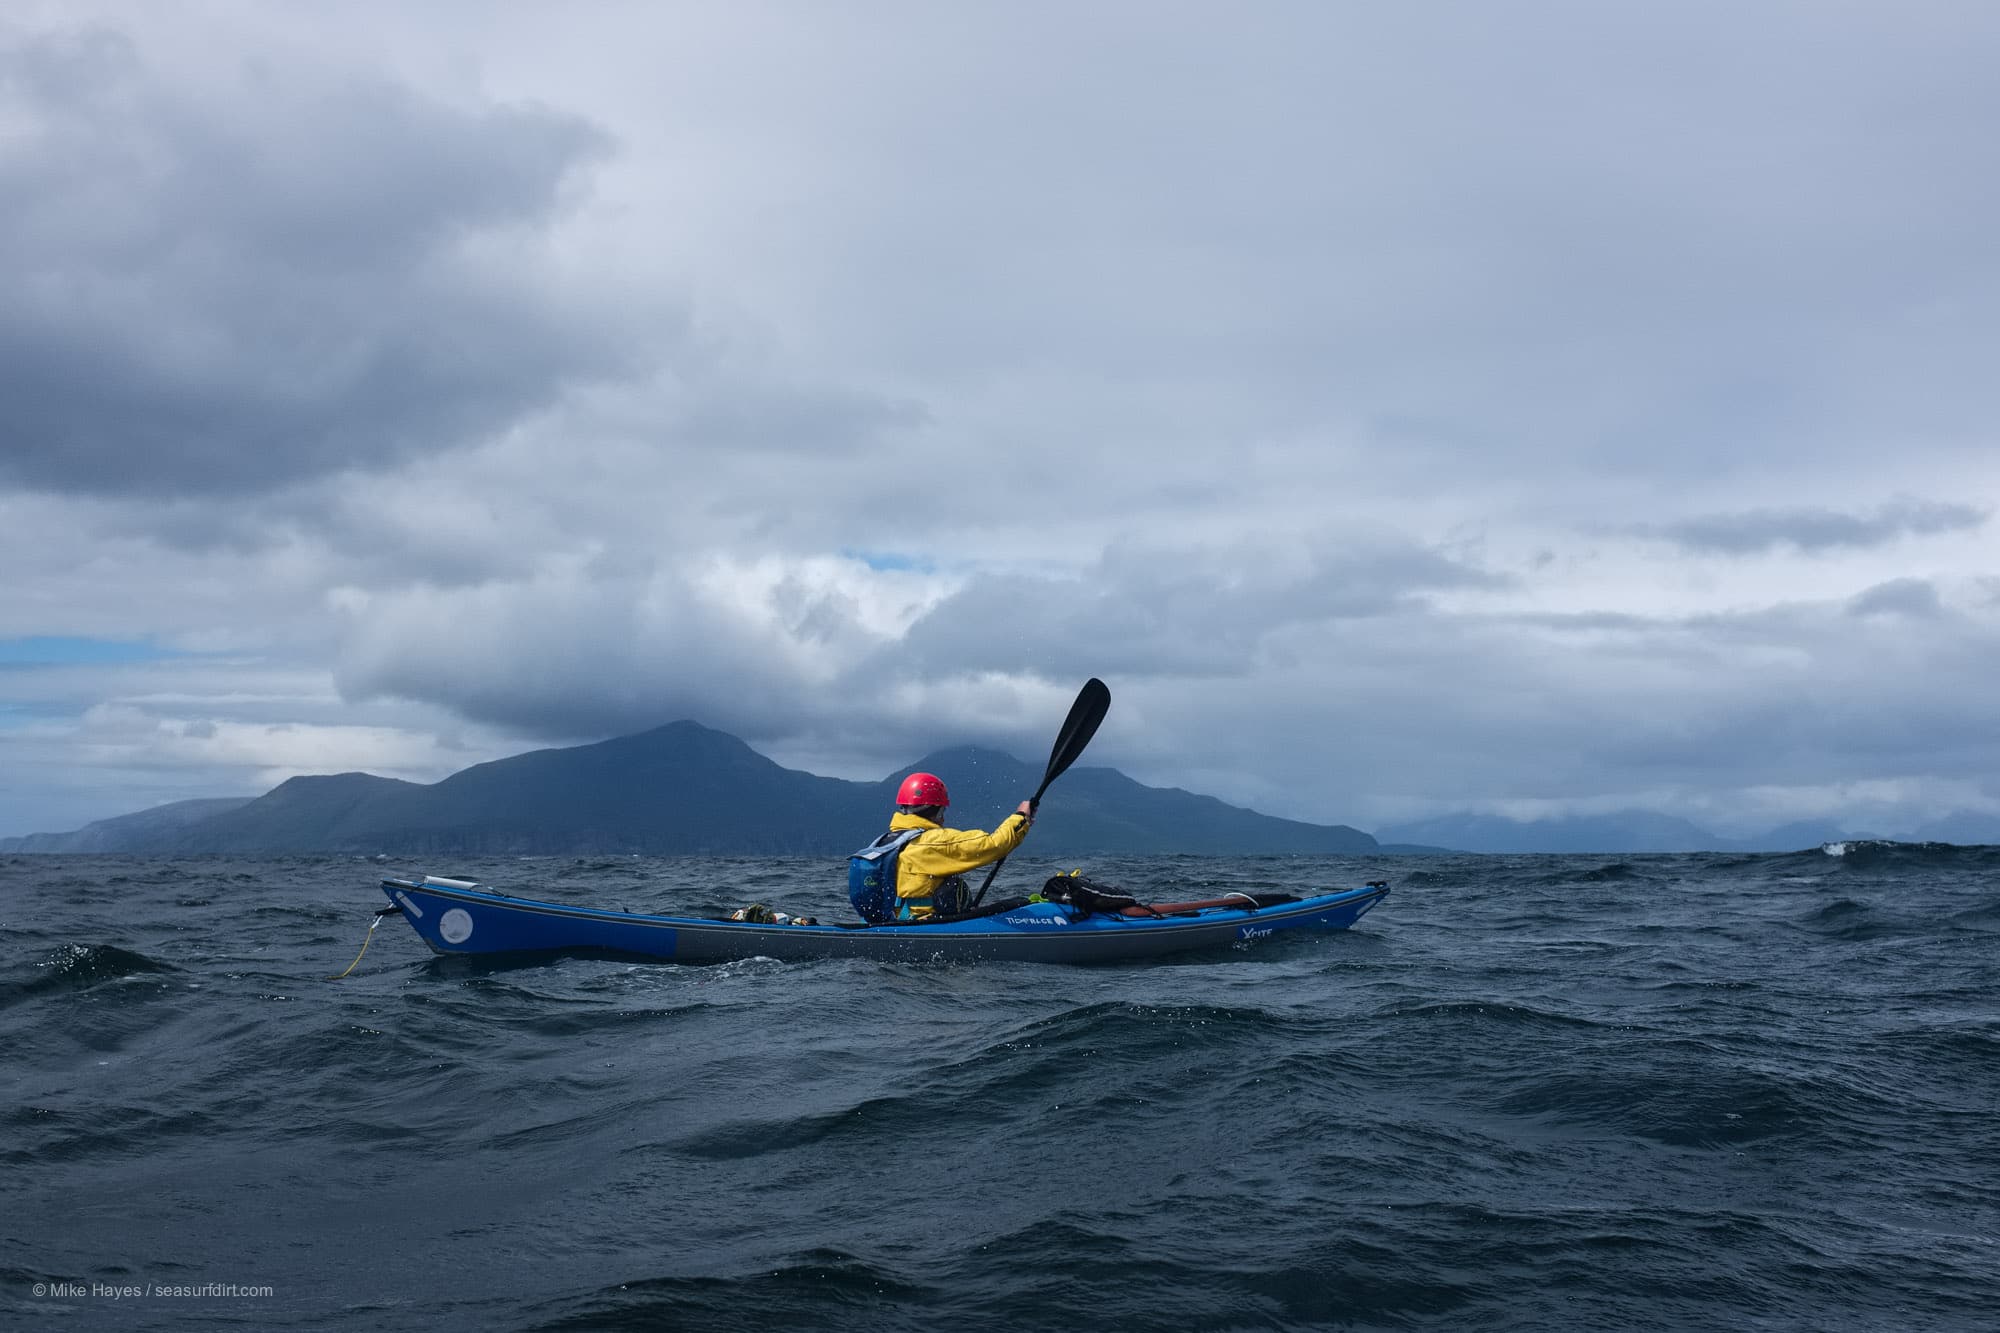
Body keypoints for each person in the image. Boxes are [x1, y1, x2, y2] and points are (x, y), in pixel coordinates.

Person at [885, 771, 1034, 918]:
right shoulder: (933, 843)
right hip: (927, 923)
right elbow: (995, 844)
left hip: (897, 920)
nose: (943, 819)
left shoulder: (887, 842)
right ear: (936, 811)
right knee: (1020, 903)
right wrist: (1021, 817)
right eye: (942, 811)